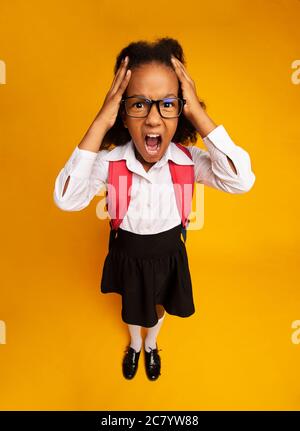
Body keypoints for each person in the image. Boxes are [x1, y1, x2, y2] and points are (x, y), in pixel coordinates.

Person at [53, 37, 256, 381]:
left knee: (158, 309)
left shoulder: (189, 161)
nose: (152, 119)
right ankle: (134, 344)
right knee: (132, 310)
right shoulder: (110, 162)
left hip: (168, 253)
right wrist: (100, 121)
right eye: (138, 105)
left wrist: (200, 114)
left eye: (167, 104)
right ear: (122, 112)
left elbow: (241, 180)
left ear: (182, 108)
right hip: (127, 252)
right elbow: (66, 197)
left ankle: (151, 347)